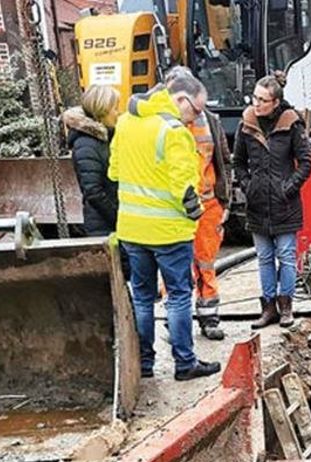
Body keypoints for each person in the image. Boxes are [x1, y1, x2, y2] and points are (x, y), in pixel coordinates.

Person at [108, 75, 220, 381]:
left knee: (142, 297)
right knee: (179, 296)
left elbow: (114, 171)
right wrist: (195, 211)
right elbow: (183, 184)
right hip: (170, 231)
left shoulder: (126, 123)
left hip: (132, 229)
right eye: (196, 110)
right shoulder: (174, 131)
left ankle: (144, 364)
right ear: (181, 99)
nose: (195, 118)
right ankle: (185, 363)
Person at [233, 74, 311, 329]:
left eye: (262, 100)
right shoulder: (247, 123)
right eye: (255, 98)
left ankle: (286, 305)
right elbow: (238, 162)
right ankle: (268, 307)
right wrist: (248, 186)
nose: (256, 104)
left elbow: (306, 162)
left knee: (286, 256)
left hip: (284, 204)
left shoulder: (291, 123)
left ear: (275, 102)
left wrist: (287, 188)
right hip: (258, 203)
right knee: (265, 257)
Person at [166, 66, 232, 341]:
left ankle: (209, 316)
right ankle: (176, 320)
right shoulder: (165, 123)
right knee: (177, 267)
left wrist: (225, 200)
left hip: (207, 204)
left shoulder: (210, 121)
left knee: (206, 263)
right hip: (176, 207)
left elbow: (223, 161)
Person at [63, 84, 120, 236]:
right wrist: (118, 218)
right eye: (115, 108)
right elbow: (93, 192)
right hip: (104, 226)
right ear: (103, 110)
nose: (118, 113)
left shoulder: (106, 137)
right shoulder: (86, 144)